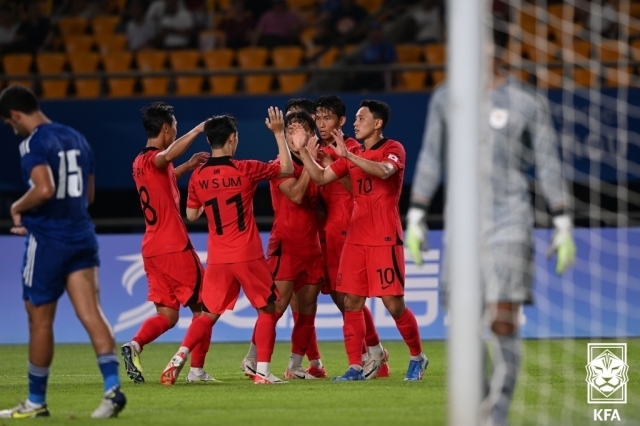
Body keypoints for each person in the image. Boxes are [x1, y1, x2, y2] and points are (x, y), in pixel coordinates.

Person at [405, 27, 577, 426]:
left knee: (502, 319)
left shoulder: (524, 100)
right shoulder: (447, 98)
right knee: (464, 325)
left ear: (497, 49)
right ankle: (479, 404)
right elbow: (431, 157)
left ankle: (496, 416)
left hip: (510, 220)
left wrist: (563, 220)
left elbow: (548, 162)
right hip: (462, 225)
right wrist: (415, 214)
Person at [0, 84, 126, 418]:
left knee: (39, 321)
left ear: (15, 115)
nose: (13, 130)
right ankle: (113, 390)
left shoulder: (33, 143)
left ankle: (36, 401)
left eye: (10, 124)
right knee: (92, 313)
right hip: (82, 235)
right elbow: (89, 197)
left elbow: (44, 188)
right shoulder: (78, 138)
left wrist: (18, 207)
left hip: (49, 241)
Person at [295, 99, 428, 381]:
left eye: (361, 117)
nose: (356, 122)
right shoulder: (350, 153)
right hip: (356, 238)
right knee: (351, 302)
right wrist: (303, 153)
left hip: (384, 237)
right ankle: (357, 366)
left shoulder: (393, 149)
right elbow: (320, 178)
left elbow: (384, 171)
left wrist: (349, 156)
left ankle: (417, 357)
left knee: (394, 305)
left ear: (378, 123)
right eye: (355, 118)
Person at [161, 108, 293, 385]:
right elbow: (287, 169)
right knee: (268, 308)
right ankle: (263, 373)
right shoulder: (245, 168)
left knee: (208, 314)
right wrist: (280, 134)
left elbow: (192, 215)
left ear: (209, 141)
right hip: (247, 253)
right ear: (233, 138)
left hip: (218, 256)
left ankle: (184, 361)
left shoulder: (197, 177)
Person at [121, 102, 215, 385]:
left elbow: (163, 178)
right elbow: (165, 157)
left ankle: (134, 345)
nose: (176, 130)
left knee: (168, 314)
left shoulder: (138, 162)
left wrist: (185, 167)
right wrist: (199, 129)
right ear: (166, 128)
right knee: (206, 308)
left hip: (151, 249)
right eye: (174, 125)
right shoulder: (155, 158)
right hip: (174, 246)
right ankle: (195, 370)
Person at [314, 95, 390, 379]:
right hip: (327, 231)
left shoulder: (354, 148)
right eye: (318, 119)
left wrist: (336, 159)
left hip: (351, 228)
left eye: (327, 118)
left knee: (350, 299)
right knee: (339, 298)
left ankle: (371, 353)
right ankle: (375, 353)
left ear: (341, 121)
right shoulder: (317, 148)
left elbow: (357, 188)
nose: (322, 124)